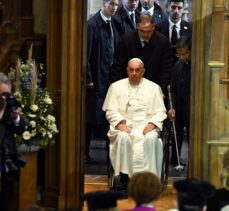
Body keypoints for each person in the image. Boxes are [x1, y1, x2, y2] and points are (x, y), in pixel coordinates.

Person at [103, 58, 167, 190]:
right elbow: (110, 110)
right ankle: (124, 177)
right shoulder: (116, 87)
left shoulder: (154, 88)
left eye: (137, 70)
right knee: (123, 137)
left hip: (146, 127)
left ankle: (150, 179)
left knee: (151, 138)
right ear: (127, 70)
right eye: (131, 70)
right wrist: (120, 124)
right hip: (124, 126)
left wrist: (152, 124)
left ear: (143, 71)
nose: (134, 73)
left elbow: (161, 112)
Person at [86, 0, 119, 163]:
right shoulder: (93, 25)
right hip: (97, 79)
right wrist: (89, 78)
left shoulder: (114, 23)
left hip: (109, 79)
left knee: (110, 115)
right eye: (111, 4)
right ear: (103, 5)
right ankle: (84, 153)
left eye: (116, 5)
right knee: (91, 118)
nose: (114, 7)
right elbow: (87, 54)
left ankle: (109, 152)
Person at [111, 13, 173, 94]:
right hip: (129, 88)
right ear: (137, 27)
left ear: (154, 27)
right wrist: (122, 89)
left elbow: (165, 70)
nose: (145, 35)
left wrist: (159, 90)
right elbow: (118, 67)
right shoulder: (126, 40)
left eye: (149, 31)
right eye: (142, 31)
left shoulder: (163, 42)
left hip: (153, 89)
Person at [0, 72, 25, 211]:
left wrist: (16, 117)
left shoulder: (10, 108)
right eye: (3, 95)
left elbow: (21, 128)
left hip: (7, 161)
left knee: (6, 199)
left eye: (8, 94)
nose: (7, 98)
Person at [167, 36, 191, 165]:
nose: (182, 57)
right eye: (179, 54)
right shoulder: (177, 66)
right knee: (177, 133)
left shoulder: (196, 67)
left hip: (191, 108)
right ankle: (175, 158)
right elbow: (173, 89)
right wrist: (172, 107)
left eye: (185, 54)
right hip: (179, 106)